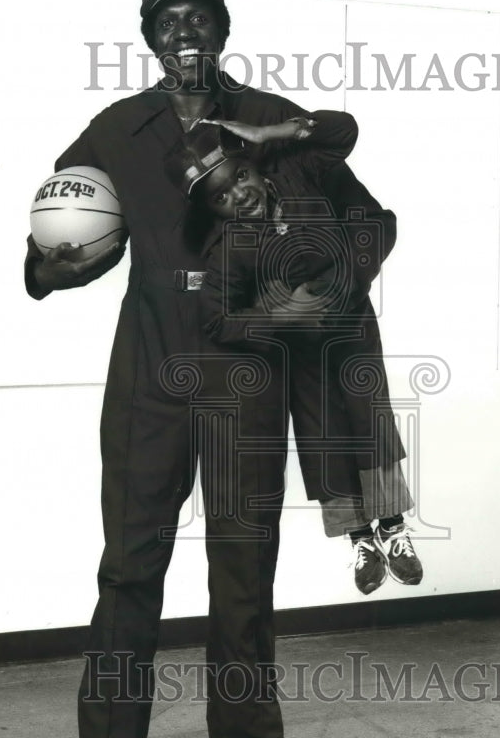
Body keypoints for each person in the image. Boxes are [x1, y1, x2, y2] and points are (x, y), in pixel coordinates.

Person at [24, 0, 360, 738]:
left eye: (198, 18)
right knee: (130, 568)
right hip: (149, 373)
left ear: (220, 29)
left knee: (244, 573)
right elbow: (60, 232)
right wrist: (47, 269)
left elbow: (342, 155)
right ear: (147, 37)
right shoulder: (118, 128)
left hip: (245, 372)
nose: (184, 34)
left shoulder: (264, 118)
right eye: (167, 21)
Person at [164, 120, 422, 597]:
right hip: (300, 344)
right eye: (221, 198)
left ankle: (393, 525)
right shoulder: (228, 247)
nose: (239, 197)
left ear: (253, 165)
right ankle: (359, 536)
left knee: (369, 418)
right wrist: (279, 314)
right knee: (322, 431)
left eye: (240, 177)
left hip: (351, 322)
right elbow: (217, 319)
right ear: (211, 210)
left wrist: (273, 130)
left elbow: (343, 133)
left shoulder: (300, 173)